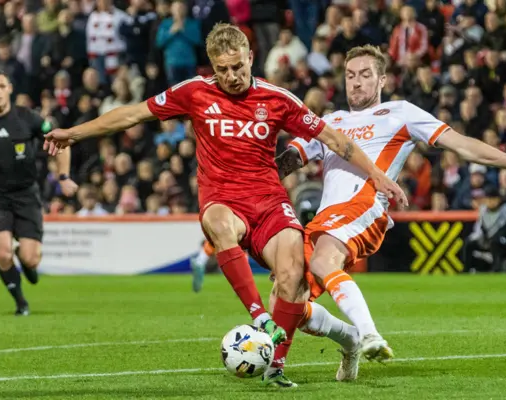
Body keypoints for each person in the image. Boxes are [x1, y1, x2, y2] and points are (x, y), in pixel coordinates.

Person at [42, 24, 406, 388]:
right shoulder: (194, 92)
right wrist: (73, 133)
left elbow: (335, 140)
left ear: (250, 58)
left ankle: (278, 367)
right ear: (211, 68)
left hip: (269, 203)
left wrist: (378, 175)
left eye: (237, 67)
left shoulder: (278, 99)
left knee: (294, 275)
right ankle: (260, 317)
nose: (231, 76)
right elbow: (132, 114)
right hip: (223, 200)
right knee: (217, 222)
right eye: (222, 69)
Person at [274, 45, 506, 381]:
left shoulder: (400, 113)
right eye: (350, 75)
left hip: (364, 206)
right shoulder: (330, 122)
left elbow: (463, 145)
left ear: (382, 79)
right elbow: (286, 163)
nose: (356, 83)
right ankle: (350, 339)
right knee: (286, 298)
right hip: (325, 220)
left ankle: (370, 334)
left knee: (323, 260)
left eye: (365, 75)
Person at [0, 69, 78, 316]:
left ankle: (24, 258)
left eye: (0, 86)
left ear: (9, 89)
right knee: (2, 252)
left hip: (27, 194)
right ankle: (20, 302)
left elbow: (61, 144)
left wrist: (64, 177)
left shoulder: (29, 118)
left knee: (31, 259)